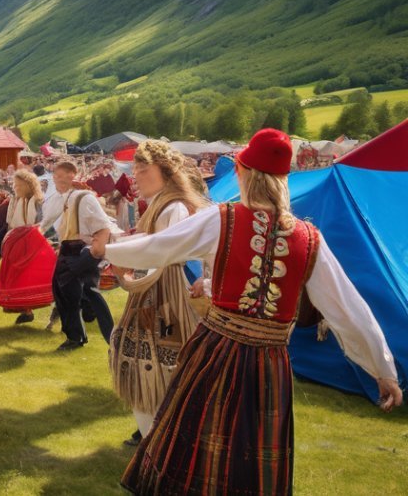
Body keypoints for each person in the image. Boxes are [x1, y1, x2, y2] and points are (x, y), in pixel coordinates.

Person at [93, 129, 402, 494]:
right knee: (250, 463)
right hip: (268, 365)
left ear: (242, 172)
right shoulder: (309, 238)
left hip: (214, 354)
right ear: (284, 180)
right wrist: (383, 370)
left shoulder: (224, 219)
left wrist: (108, 250)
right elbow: (348, 309)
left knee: (193, 455)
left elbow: (161, 247)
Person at [105, 141, 209, 446]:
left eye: (143, 169)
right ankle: (156, 440)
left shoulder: (172, 206)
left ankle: (160, 444)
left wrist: (121, 256)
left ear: (164, 172)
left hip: (164, 294)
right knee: (142, 362)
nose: (136, 175)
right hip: (154, 289)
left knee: (154, 363)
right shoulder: (163, 203)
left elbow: (163, 253)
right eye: (135, 169)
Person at [41, 160, 116, 351]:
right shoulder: (63, 198)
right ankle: (75, 337)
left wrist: (93, 253)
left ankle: (112, 339)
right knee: (64, 294)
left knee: (90, 294)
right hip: (68, 249)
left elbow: (102, 226)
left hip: (82, 250)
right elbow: (50, 219)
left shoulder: (84, 197)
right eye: (55, 176)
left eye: (61, 176)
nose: (57, 180)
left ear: (71, 176)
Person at [0, 170, 57, 324]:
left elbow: (45, 224)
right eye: (15, 184)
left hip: (33, 241)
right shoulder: (15, 200)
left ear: (28, 185)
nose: (16, 187)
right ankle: (25, 310)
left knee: (35, 276)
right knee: (17, 276)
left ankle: (55, 306)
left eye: (19, 185)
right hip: (17, 242)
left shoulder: (39, 201)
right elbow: (11, 223)